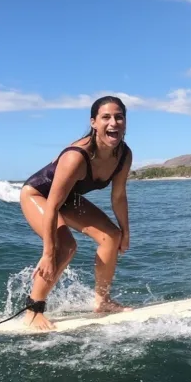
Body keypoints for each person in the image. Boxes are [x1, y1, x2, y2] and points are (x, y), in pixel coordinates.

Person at [18, 95, 134, 330]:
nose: (113, 123)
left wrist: (126, 231)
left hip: (68, 198)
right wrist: (48, 252)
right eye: (106, 117)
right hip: (38, 195)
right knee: (65, 246)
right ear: (93, 122)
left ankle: (103, 301)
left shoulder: (123, 155)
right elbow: (51, 206)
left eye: (119, 117)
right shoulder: (76, 156)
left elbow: (118, 196)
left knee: (112, 237)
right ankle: (33, 310)